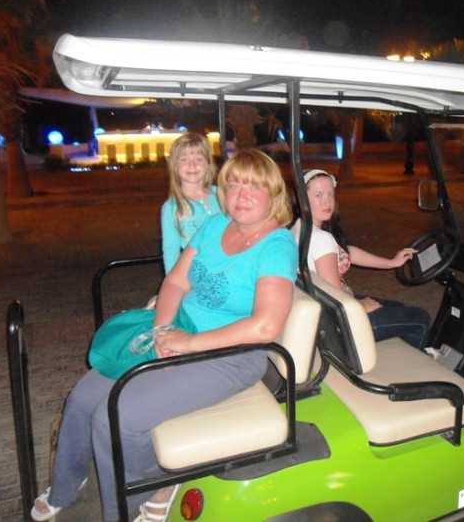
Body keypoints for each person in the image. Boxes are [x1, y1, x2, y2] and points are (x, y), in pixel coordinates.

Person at [32, 149, 298, 522]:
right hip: (180, 329)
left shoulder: (276, 245)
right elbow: (174, 281)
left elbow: (266, 326)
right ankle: (66, 483)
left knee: (114, 416)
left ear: (274, 194)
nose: (241, 195)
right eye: (234, 185)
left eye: (254, 187)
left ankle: (151, 488)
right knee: (82, 398)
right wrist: (162, 330)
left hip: (230, 354)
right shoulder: (217, 224)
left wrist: (187, 344)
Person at [291, 169, 431, 351]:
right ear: (302, 199)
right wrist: (362, 305)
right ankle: (413, 362)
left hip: (325, 316)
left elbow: (345, 251)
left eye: (330, 194)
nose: (327, 202)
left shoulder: (298, 228)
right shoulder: (321, 239)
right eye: (319, 195)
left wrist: (391, 262)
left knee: (398, 307)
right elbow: (336, 298)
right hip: (342, 325)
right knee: (421, 318)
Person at [161, 132, 220, 273]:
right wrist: (172, 282)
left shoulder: (221, 194)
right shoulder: (171, 207)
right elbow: (171, 250)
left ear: (208, 163)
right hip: (196, 273)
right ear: (175, 166)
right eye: (184, 159)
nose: (192, 165)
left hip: (227, 266)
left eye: (199, 159)